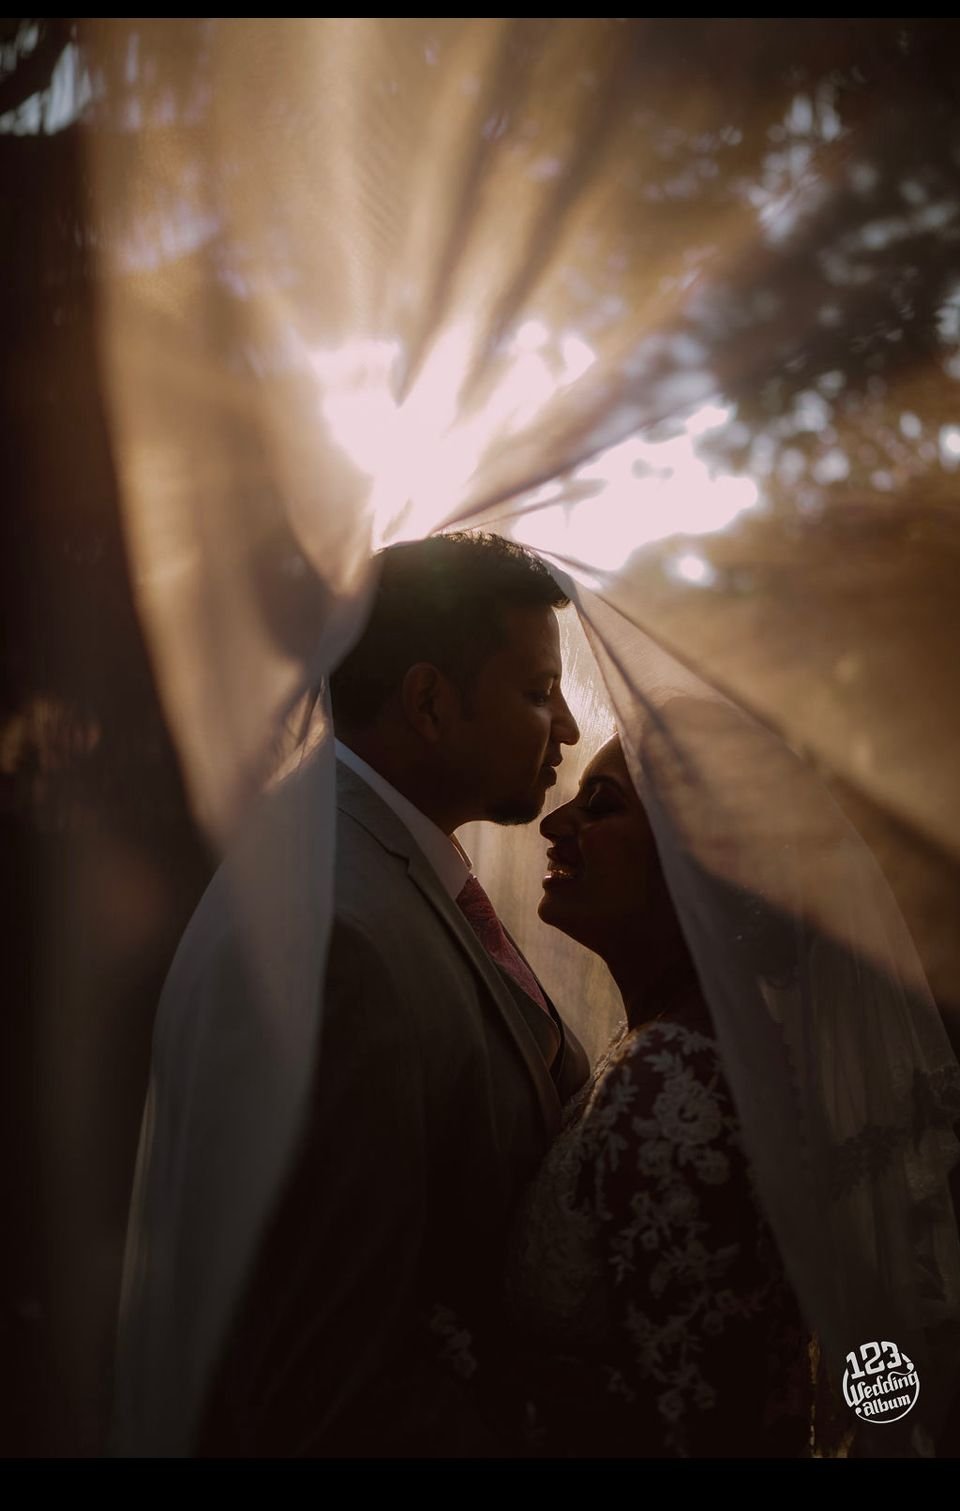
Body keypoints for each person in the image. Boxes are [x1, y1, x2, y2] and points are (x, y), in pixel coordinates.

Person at [185, 532, 589, 1455]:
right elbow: (323, 1380)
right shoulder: (340, 937)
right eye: (537, 692)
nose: (566, 728)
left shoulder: (371, 860)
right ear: (429, 702)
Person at [489, 731, 816, 1457]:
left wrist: (460, 1366)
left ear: (697, 862)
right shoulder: (681, 1040)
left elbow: (696, 1422)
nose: (554, 823)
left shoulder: (674, 1073)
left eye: (601, 805)